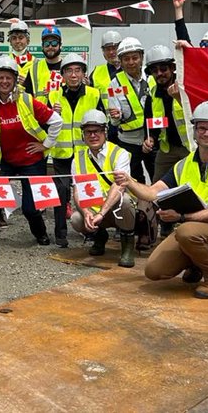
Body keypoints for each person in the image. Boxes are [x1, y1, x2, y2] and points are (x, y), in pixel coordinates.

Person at [119, 101, 208, 298]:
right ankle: (196, 263)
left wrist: (180, 217)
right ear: (194, 130)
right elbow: (153, 193)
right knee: (153, 271)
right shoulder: (183, 164)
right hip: (196, 229)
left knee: (186, 232)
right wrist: (129, 182)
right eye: (202, 128)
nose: (206, 133)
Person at [0, 56, 63, 246]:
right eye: (1, 77)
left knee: (30, 209)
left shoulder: (26, 100)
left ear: (15, 79)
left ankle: (40, 233)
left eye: (9, 77)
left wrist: (46, 145)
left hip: (31, 161)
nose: (4, 82)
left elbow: (56, 121)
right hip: (6, 160)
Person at [105, 36, 157, 247]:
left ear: (141, 58)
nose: (131, 62)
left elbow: (160, 111)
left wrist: (152, 137)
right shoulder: (115, 84)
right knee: (131, 184)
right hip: (127, 142)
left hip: (152, 141)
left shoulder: (153, 79)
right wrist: (115, 116)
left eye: (135, 57)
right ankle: (132, 224)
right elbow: (114, 119)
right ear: (121, 61)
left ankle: (157, 222)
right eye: (126, 59)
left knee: (158, 183)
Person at [46, 53, 101, 247]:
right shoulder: (53, 97)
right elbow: (43, 125)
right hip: (62, 155)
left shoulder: (94, 94)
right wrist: (52, 115)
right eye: (69, 71)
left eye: (78, 70)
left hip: (86, 154)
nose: (73, 75)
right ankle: (60, 234)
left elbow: (104, 124)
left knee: (88, 192)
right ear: (62, 75)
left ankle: (92, 230)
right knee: (61, 192)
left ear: (84, 74)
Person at [70, 110, 137, 266]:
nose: (93, 136)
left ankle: (127, 247)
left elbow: (119, 185)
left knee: (125, 200)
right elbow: (77, 191)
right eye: (88, 132)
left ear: (105, 132)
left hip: (115, 208)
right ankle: (99, 237)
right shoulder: (77, 159)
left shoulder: (120, 154)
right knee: (76, 219)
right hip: (95, 209)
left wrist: (101, 213)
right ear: (83, 135)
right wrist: (86, 213)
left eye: (97, 131)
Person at [143, 44, 192, 183]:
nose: (159, 73)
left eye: (163, 69)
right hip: (167, 150)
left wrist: (178, 98)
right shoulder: (152, 94)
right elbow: (149, 123)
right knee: (157, 188)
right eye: (154, 70)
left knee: (191, 186)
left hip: (189, 147)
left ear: (172, 68)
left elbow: (196, 115)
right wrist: (149, 138)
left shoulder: (186, 87)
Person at [26, 26, 62, 104]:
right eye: (46, 44)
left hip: (63, 114)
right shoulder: (34, 68)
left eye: (54, 43)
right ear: (42, 46)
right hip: (40, 114)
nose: (50, 47)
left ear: (60, 45)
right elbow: (27, 97)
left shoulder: (67, 68)